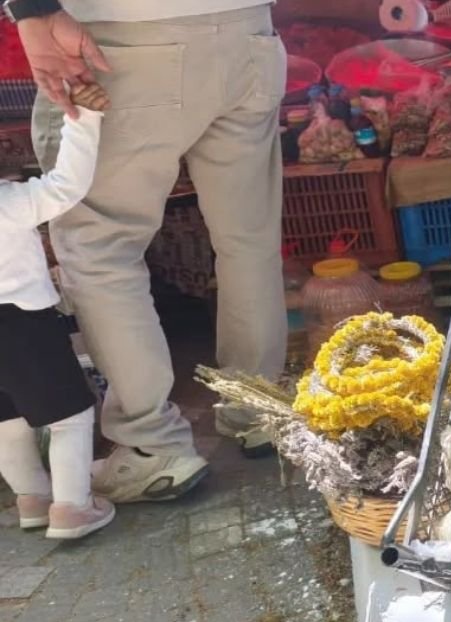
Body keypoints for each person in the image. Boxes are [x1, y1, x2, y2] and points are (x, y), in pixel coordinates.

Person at [13, 0, 288, 503]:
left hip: (124, 33)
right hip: (250, 31)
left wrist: (32, 12)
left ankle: (151, 445)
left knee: (100, 247)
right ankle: (258, 408)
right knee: (248, 240)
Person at [0, 82, 114, 539]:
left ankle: (32, 498)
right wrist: (84, 121)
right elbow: (67, 185)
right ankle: (72, 507)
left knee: (6, 420)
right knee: (68, 414)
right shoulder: (8, 203)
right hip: (20, 321)